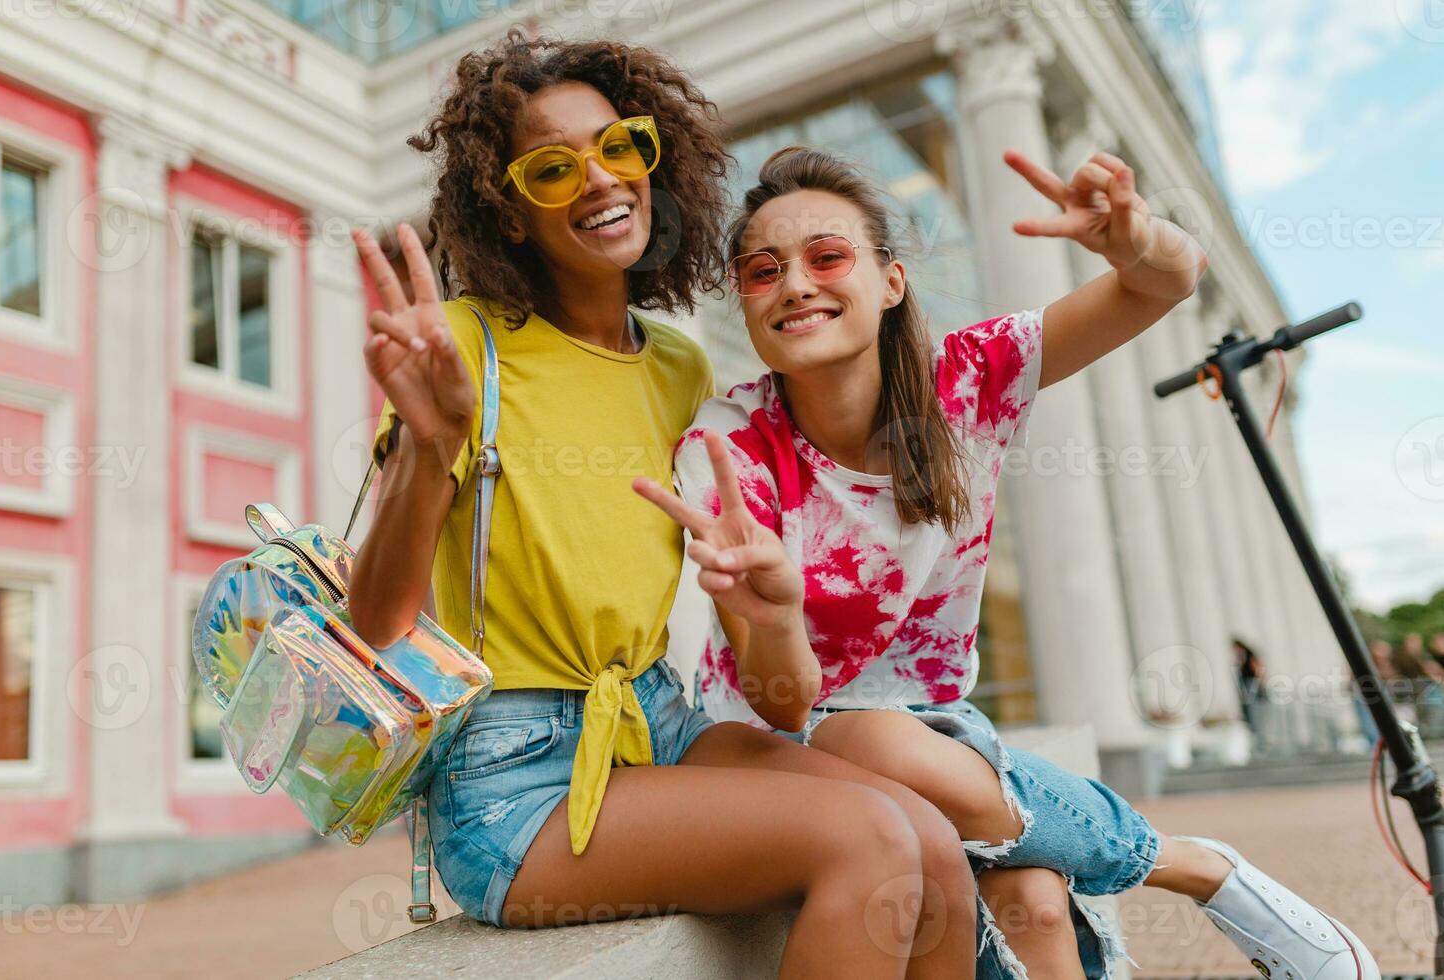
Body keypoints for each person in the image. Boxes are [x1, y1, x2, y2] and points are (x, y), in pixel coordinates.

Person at [347, 32, 1013, 979]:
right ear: (506, 211)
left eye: (619, 147)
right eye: (551, 167)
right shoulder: (459, 347)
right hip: (515, 779)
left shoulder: (677, 365)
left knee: (933, 845)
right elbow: (376, 623)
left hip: (660, 724)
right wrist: (431, 442)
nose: (597, 179)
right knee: (866, 841)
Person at [636, 146, 1381, 979]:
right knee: (885, 748)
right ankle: (1189, 865)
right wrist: (773, 617)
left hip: (940, 734)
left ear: (891, 280)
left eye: (828, 256)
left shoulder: (967, 379)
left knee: (1032, 894)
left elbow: (1168, 281)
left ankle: (1161, 862)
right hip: (782, 742)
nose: (796, 285)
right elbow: (783, 704)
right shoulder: (727, 447)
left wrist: (1137, 242)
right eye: (762, 271)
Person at [1233, 637, 1270, 752]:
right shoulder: (1241, 659)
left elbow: (1259, 670)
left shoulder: (1249, 656)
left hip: (1252, 688)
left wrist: (1260, 686)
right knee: (1250, 717)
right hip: (1247, 691)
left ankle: (1261, 744)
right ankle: (1257, 743)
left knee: (1256, 717)